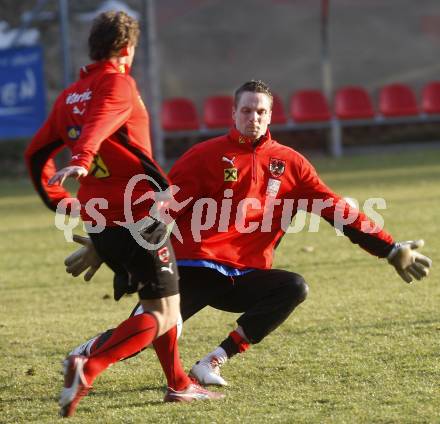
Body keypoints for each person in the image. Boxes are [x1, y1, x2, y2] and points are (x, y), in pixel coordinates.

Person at [60, 80, 432, 388]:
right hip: (195, 265)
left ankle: (213, 361)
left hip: (246, 275)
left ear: (270, 116)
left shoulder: (291, 164)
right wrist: (107, 241)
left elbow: (337, 209)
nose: (253, 117)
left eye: (261, 111)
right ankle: (87, 354)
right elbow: (162, 207)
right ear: (233, 114)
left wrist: (390, 249)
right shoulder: (204, 156)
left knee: (293, 286)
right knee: (144, 333)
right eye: (246, 110)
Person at [25, 10, 223, 418]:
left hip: (101, 223)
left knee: (160, 301)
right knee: (164, 313)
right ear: (127, 49)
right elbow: (102, 119)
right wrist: (83, 155)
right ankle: (89, 365)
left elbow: (35, 156)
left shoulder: (67, 97)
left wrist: (62, 202)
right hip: (141, 218)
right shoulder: (118, 82)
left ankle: (178, 384)